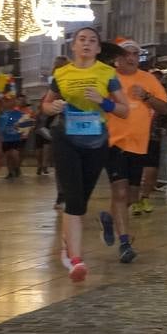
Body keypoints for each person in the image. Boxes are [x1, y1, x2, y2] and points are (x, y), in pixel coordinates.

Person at [41, 28, 128, 280]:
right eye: (82, 40)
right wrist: (52, 106)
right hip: (66, 140)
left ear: (99, 49)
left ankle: (67, 246)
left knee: (80, 201)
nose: (87, 44)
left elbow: (124, 110)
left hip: (96, 142)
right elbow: (45, 106)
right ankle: (76, 260)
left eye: (92, 41)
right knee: (74, 200)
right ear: (73, 46)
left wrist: (104, 101)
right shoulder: (61, 73)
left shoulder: (107, 73)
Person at [98, 38, 167, 264]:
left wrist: (147, 97)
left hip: (139, 145)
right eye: (126, 54)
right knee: (119, 193)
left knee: (131, 196)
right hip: (114, 143)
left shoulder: (148, 79)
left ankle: (110, 218)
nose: (131, 58)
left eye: (135, 54)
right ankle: (125, 243)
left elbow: (166, 108)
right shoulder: (108, 78)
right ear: (117, 57)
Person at [133, 70, 167, 215]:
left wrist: (165, 128)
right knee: (136, 169)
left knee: (151, 169)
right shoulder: (135, 92)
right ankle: (135, 199)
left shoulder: (161, 96)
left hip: (153, 136)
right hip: (136, 136)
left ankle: (145, 197)